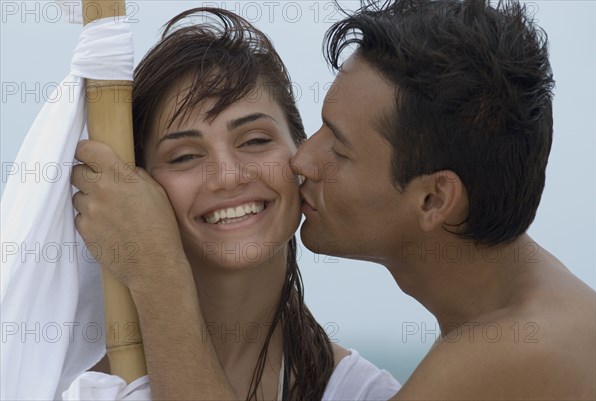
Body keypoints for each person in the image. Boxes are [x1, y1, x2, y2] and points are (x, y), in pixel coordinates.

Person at [71, 7, 400, 401]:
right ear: (137, 189)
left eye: (255, 141)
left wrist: (157, 274)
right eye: (185, 156)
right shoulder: (66, 384)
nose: (228, 176)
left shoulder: (366, 394)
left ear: (300, 155)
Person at [288, 0, 596, 399]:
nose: (302, 159)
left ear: (435, 199)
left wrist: (179, 276)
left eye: (340, 149)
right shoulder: (536, 318)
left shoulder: (505, 354)